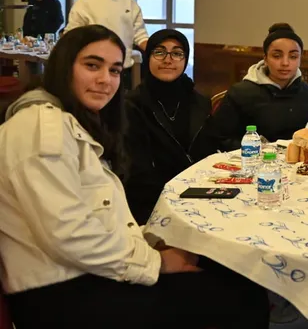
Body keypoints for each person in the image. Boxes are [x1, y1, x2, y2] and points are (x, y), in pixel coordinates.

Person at [0, 25, 269, 329]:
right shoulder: (41, 129)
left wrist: (150, 243)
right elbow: (69, 235)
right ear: (63, 66)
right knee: (241, 298)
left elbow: (95, 216)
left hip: (85, 271)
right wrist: (156, 262)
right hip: (61, 293)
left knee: (227, 271)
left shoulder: (67, 121)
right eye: (92, 65)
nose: (105, 80)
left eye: (115, 70)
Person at [191, 23, 308, 158]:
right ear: (265, 59)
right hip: (252, 163)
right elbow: (218, 138)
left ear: (300, 59)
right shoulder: (241, 93)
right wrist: (258, 149)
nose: (285, 63)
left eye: (293, 57)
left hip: (301, 165)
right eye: (277, 56)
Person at [124, 29, 210, 225]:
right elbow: (136, 170)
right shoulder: (132, 105)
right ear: (148, 57)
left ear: (185, 60)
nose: (168, 60)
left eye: (177, 53)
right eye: (159, 52)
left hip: (199, 194)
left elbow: (207, 150)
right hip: (151, 203)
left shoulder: (200, 102)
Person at [65, 0, 148, 89]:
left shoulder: (129, 3)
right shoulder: (84, 3)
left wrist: (158, 50)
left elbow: (141, 36)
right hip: (94, 69)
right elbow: (71, 35)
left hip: (123, 69)